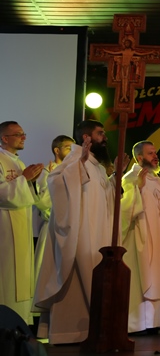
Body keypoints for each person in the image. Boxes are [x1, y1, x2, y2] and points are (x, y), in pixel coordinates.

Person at [34, 119, 121, 344]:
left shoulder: (97, 165)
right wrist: (78, 166)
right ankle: (68, 332)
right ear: (86, 137)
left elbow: (104, 198)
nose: (105, 137)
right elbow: (56, 183)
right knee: (76, 279)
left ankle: (92, 330)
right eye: (100, 133)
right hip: (80, 233)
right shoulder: (75, 158)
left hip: (97, 233)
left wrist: (115, 178)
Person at [120, 140, 160, 333]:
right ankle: (139, 323)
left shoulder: (159, 182)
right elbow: (125, 209)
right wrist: (137, 189)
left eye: (155, 152)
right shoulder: (130, 178)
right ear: (139, 158)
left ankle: (157, 321)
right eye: (150, 153)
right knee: (142, 277)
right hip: (142, 238)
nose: (155, 156)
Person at [0, 121, 45, 325]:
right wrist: (24, 179)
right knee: (7, 276)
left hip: (21, 226)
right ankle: (6, 325)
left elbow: (29, 197)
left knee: (22, 274)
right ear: (4, 138)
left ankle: (20, 323)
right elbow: (2, 194)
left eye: (23, 133)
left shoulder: (18, 162)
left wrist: (31, 181)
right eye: (18, 134)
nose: (23, 137)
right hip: (5, 228)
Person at [33, 136, 75, 289]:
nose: (72, 152)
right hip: (52, 226)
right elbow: (41, 202)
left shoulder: (71, 172)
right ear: (57, 150)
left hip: (68, 227)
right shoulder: (46, 172)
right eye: (68, 148)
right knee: (46, 271)